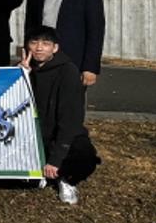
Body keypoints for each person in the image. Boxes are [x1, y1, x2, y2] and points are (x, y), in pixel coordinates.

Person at [19, 26, 100, 205]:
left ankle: (66, 179)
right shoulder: (23, 69)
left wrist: (56, 160)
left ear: (55, 48)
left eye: (45, 44)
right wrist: (20, 76)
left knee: (84, 155)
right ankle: (37, 174)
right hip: (33, 135)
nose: (39, 48)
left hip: (59, 134)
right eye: (34, 43)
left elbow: (70, 120)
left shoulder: (68, 71)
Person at [25, 0, 105, 87]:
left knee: (70, 101)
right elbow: (30, 29)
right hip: (41, 61)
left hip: (73, 62)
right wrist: (27, 57)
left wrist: (90, 68)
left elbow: (95, 32)